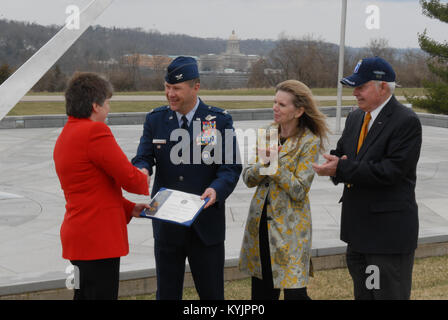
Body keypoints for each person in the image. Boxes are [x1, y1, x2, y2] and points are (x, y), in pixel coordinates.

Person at [132, 56, 242, 300]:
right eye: (167, 87)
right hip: (167, 224)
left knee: (212, 295)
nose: (170, 94)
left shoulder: (218, 121)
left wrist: (216, 190)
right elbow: (143, 156)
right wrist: (142, 170)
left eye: (177, 88)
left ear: (196, 87)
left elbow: (231, 166)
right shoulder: (155, 119)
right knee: (167, 294)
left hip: (206, 224)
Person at [312, 57, 422, 300]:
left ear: (383, 87)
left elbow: (390, 172)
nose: (355, 93)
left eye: (361, 87)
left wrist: (341, 168)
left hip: (387, 238)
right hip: (358, 234)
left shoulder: (406, 122)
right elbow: (343, 156)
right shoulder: (355, 118)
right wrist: (330, 164)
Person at [53, 72, 150, 300]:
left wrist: (128, 208)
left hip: (79, 238)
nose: (109, 110)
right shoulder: (95, 132)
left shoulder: (67, 133)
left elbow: (90, 189)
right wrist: (143, 173)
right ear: (96, 106)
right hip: (98, 241)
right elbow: (130, 178)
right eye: (108, 103)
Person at [239, 80, 329, 300]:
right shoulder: (268, 132)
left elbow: (299, 190)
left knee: (295, 295)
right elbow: (248, 178)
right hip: (260, 224)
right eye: (274, 102)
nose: (275, 108)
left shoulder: (309, 141)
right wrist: (265, 165)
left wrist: (274, 165)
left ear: (298, 111)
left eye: (282, 104)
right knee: (261, 295)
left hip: (291, 230)